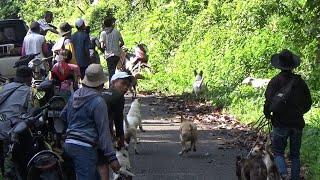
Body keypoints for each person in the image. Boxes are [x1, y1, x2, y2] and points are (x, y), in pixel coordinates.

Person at [60, 64, 120, 180]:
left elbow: (63, 115)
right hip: (85, 148)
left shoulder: (75, 95)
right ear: (101, 84)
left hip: (68, 145)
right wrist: (112, 158)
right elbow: (104, 132)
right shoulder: (98, 102)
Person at [263, 49, 312, 180]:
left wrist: (268, 115)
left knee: (278, 152)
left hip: (280, 123)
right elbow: (308, 102)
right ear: (292, 65)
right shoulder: (300, 82)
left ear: (279, 65)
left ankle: (283, 175)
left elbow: (268, 102)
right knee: (295, 155)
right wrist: (299, 112)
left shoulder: (275, 81)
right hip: (297, 124)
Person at [98, 71, 133, 179]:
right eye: (123, 83)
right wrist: (121, 140)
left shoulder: (102, 93)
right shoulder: (118, 97)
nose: (126, 87)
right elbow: (118, 121)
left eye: (127, 85)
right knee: (103, 162)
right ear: (113, 82)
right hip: (99, 133)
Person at [0, 66, 34, 179]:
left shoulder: (3, 87)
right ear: (28, 78)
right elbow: (32, 112)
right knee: (26, 158)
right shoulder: (29, 91)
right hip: (12, 133)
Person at [99, 17, 124, 85]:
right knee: (115, 70)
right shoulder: (117, 32)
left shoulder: (103, 33)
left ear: (104, 25)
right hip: (117, 54)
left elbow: (101, 46)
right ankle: (115, 86)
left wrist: (106, 47)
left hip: (109, 55)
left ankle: (111, 87)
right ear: (111, 24)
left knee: (111, 72)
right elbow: (122, 43)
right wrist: (117, 47)